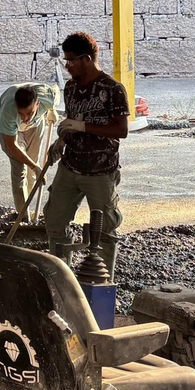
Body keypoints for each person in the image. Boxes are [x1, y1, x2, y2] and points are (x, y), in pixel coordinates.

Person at [44, 31, 131, 273]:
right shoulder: (71, 87)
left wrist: (83, 126)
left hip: (100, 170)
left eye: (71, 61)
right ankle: (62, 277)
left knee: (104, 230)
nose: (67, 66)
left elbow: (121, 130)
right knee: (54, 221)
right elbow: (71, 120)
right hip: (70, 166)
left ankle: (102, 282)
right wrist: (61, 140)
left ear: (87, 59)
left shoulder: (112, 89)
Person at [0, 82, 59, 219]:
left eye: (29, 112)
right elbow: (11, 146)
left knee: (33, 168)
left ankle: (29, 203)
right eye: (21, 113)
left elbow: (56, 90)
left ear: (38, 104)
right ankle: (23, 216)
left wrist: (52, 110)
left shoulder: (47, 97)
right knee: (20, 171)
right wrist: (35, 167)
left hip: (35, 126)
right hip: (12, 132)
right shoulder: (9, 111)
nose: (25, 118)